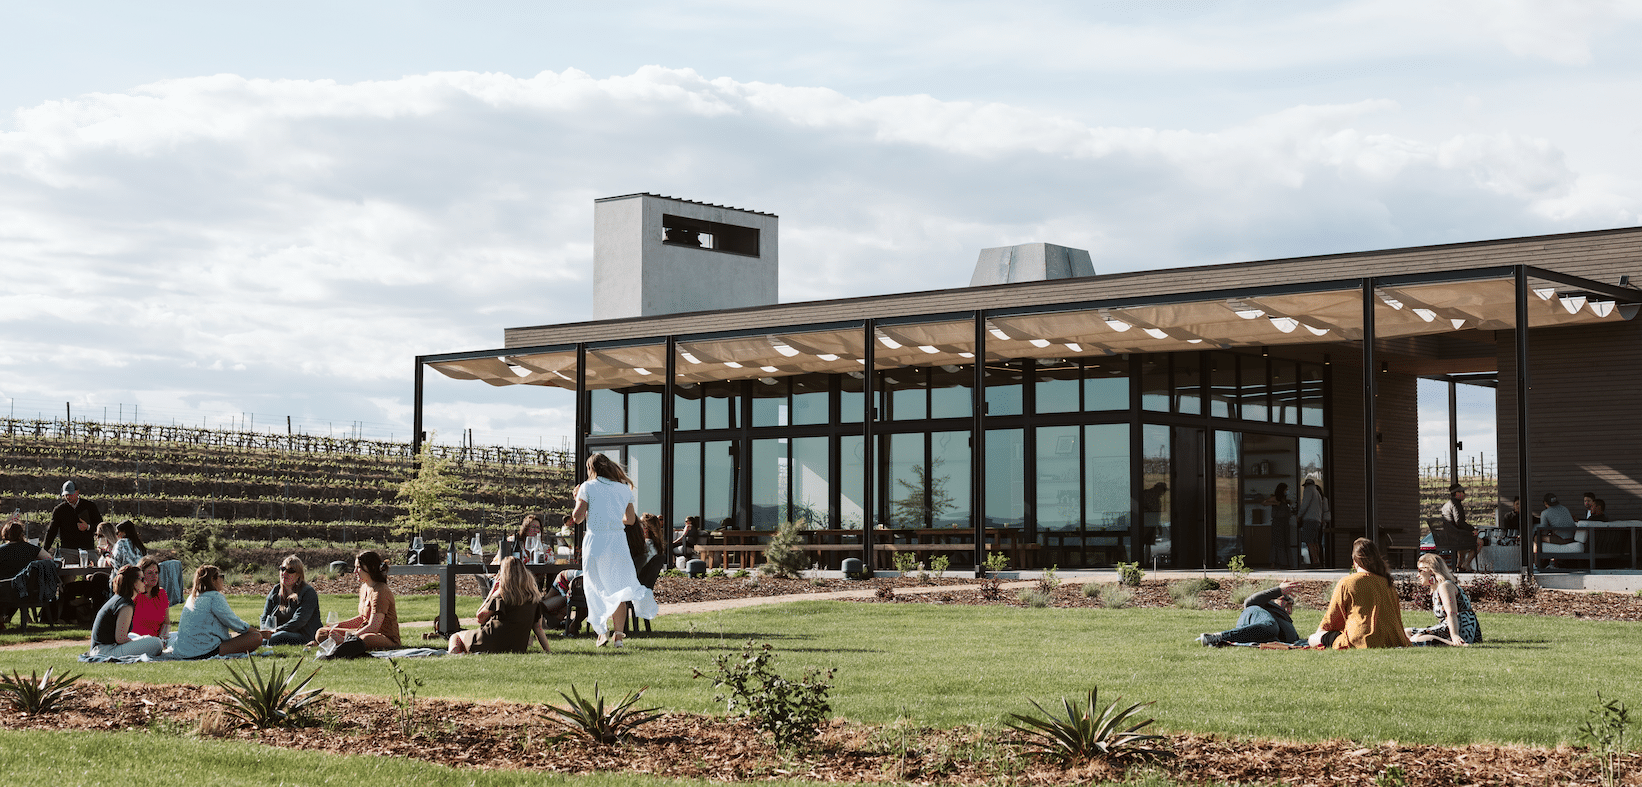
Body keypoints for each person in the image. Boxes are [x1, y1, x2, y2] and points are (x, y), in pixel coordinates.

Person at [569, 453, 657, 647]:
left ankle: (602, 632)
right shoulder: (623, 489)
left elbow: (577, 517)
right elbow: (631, 520)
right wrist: (614, 518)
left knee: (594, 586)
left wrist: (577, 498)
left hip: (596, 541)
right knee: (620, 587)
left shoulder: (587, 487)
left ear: (591, 469)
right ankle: (619, 636)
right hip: (617, 542)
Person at [1309, 538, 1410, 649]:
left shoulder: (1347, 582)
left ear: (1355, 561)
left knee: (1313, 638)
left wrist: (1319, 634)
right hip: (1393, 639)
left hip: (1359, 639)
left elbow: (1331, 620)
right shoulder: (1387, 583)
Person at [448, 556, 553, 655]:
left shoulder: (501, 596)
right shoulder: (533, 599)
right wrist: (548, 651)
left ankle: (454, 655)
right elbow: (538, 629)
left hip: (489, 642)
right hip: (517, 647)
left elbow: (480, 618)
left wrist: (492, 592)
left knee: (456, 636)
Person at [313, 550, 401, 650]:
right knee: (322, 632)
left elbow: (373, 627)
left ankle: (344, 643)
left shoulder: (381, 591)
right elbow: (362, 618)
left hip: (382, 638)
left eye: (358, 567)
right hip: (361, 632)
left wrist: (347, 638)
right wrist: (336, 626)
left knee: (365, 638)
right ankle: (344, 643)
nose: (355, 571)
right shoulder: (364, 588)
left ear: (371, 568)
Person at [172, 565, 262, 659]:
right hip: (203, 650)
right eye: (221, 576)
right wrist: (258, 632)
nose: (222, 579)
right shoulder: (214, 597)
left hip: (183, 651)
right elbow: (234, 623)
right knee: (255, 637)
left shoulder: (192, 597)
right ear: (212, 580)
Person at [88, 565, 165, 659]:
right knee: (156, 643)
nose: (145, 582)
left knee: (139, 636)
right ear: (132, 582)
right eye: (142, 579)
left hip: (102, 649)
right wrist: (138, 644)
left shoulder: (120, 599)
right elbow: (120, 639)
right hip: (105, 652)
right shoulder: (126, 604)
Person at [1407, 554, 1481, 647]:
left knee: (1416, 638)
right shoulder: (1437, 589)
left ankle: (1457, 644)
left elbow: (1452, 613)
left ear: (1431, 570)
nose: (1418, 575)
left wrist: (1455, 635)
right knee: (1406, 633)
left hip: (1462, 629)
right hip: (1448, 627)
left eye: (1420, 570)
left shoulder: (1445, 586)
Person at [1196, 581, 1302, 647]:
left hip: (1261, 632)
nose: (1287, 607)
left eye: (1290, 604)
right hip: (1254, 616)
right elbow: (1248, 602)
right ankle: (1218, 636)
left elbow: (1292, 640)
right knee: (1271, 626)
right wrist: (1279, 590)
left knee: (1272, 633)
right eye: (1284, 600)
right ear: (1274, 599)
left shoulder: (1285, 620)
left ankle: (1218, 640)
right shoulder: (1264, 604)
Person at [0, 518, 53, 628]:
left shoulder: (1, 550)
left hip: (5, 591)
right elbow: (49, 558)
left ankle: (3, 617)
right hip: (29, 590)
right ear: (21, 534)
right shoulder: (31, 548)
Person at [260, 556, 321, 646]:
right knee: (254, 634)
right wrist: (264, 632)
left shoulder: (308, 592)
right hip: (277, 633)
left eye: (290, 571)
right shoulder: (276, 590)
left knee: (281, 636)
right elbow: (264, 616)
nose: (284, 573)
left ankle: (252, 645)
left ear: (299, 575)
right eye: (282, 569)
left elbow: (299, 621)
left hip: (303, 635)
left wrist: (276, 630)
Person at [45, 480, 101, 556]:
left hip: (88, 550)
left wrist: (88, 527)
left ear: (77, 492)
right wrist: (44, 550)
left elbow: (100, 526)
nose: (68, 497)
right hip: (67, 551)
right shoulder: (59, 510)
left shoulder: (90, 506)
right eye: (66, 495)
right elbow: (51, 531)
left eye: (70, 494)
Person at [130, 556, 170, 640]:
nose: (154, 576)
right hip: (136, 641)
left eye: (156, 572)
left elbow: (166, 623)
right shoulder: (134, 595)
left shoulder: (162, 594)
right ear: (141, 575)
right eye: (150, 573)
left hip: (156, 641)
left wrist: (162, 639)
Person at [1441, 484, 1479, 572]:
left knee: (1464, 544)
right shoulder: (1456, 504)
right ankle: (1466, 563)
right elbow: (1459, 522)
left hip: (1449, 536)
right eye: (1463, 492)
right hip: (1456, 537)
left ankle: (1459, 566)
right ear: (1457, 493)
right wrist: (1472, 529)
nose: (1464, 494)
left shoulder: (1446, 505)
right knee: (1480, 542)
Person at [1534, 492, 1578, 569]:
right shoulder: (1564, 508)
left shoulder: (1545, 513)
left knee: (1537, 538)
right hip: (1572, 538)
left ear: (1545, 503)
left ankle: (1536, 564)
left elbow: (1544, 530)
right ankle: (1551, 563)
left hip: (1562, 539)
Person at [1296, 479, 1328, 568]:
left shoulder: (1309, 490)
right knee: (1315, 542)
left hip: (1309, 520)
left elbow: (1305, 504)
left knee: (1309, 542)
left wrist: (1299, 515)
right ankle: (1317, 560)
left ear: (1306, 485)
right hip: (1317, 520)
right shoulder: (1317, 493)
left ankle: (1315, 562)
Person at [1263, 483, 1295, 569]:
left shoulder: (1285, 500)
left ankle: (1285, 562)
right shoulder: (1276, 498)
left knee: (1285, 542)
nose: (1287, 491)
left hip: (1285, 523)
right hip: (1277, 523)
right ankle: (1274, 562)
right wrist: (1274, 503)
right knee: (1277, 542)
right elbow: (1264, 502)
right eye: (1285, 489)